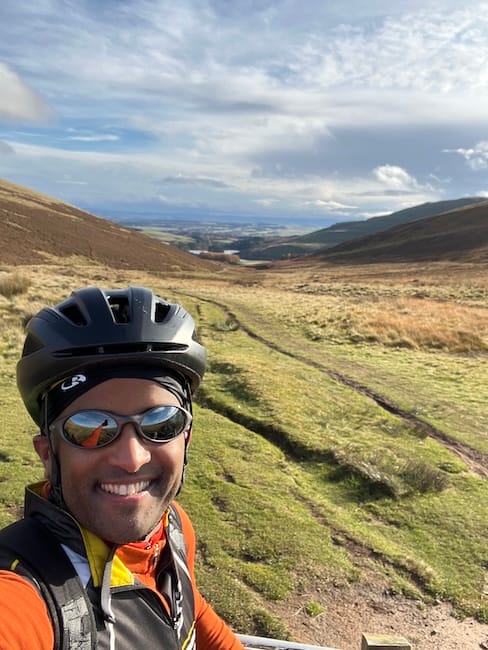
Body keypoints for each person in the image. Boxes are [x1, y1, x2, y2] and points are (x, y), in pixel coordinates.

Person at [0, 285, 245, 649]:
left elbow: (192, 616)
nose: (132, 459)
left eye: (161, 423)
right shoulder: (25, 591)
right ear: (48, 453)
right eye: (90, 429)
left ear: (187, 438)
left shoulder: (172, 528)